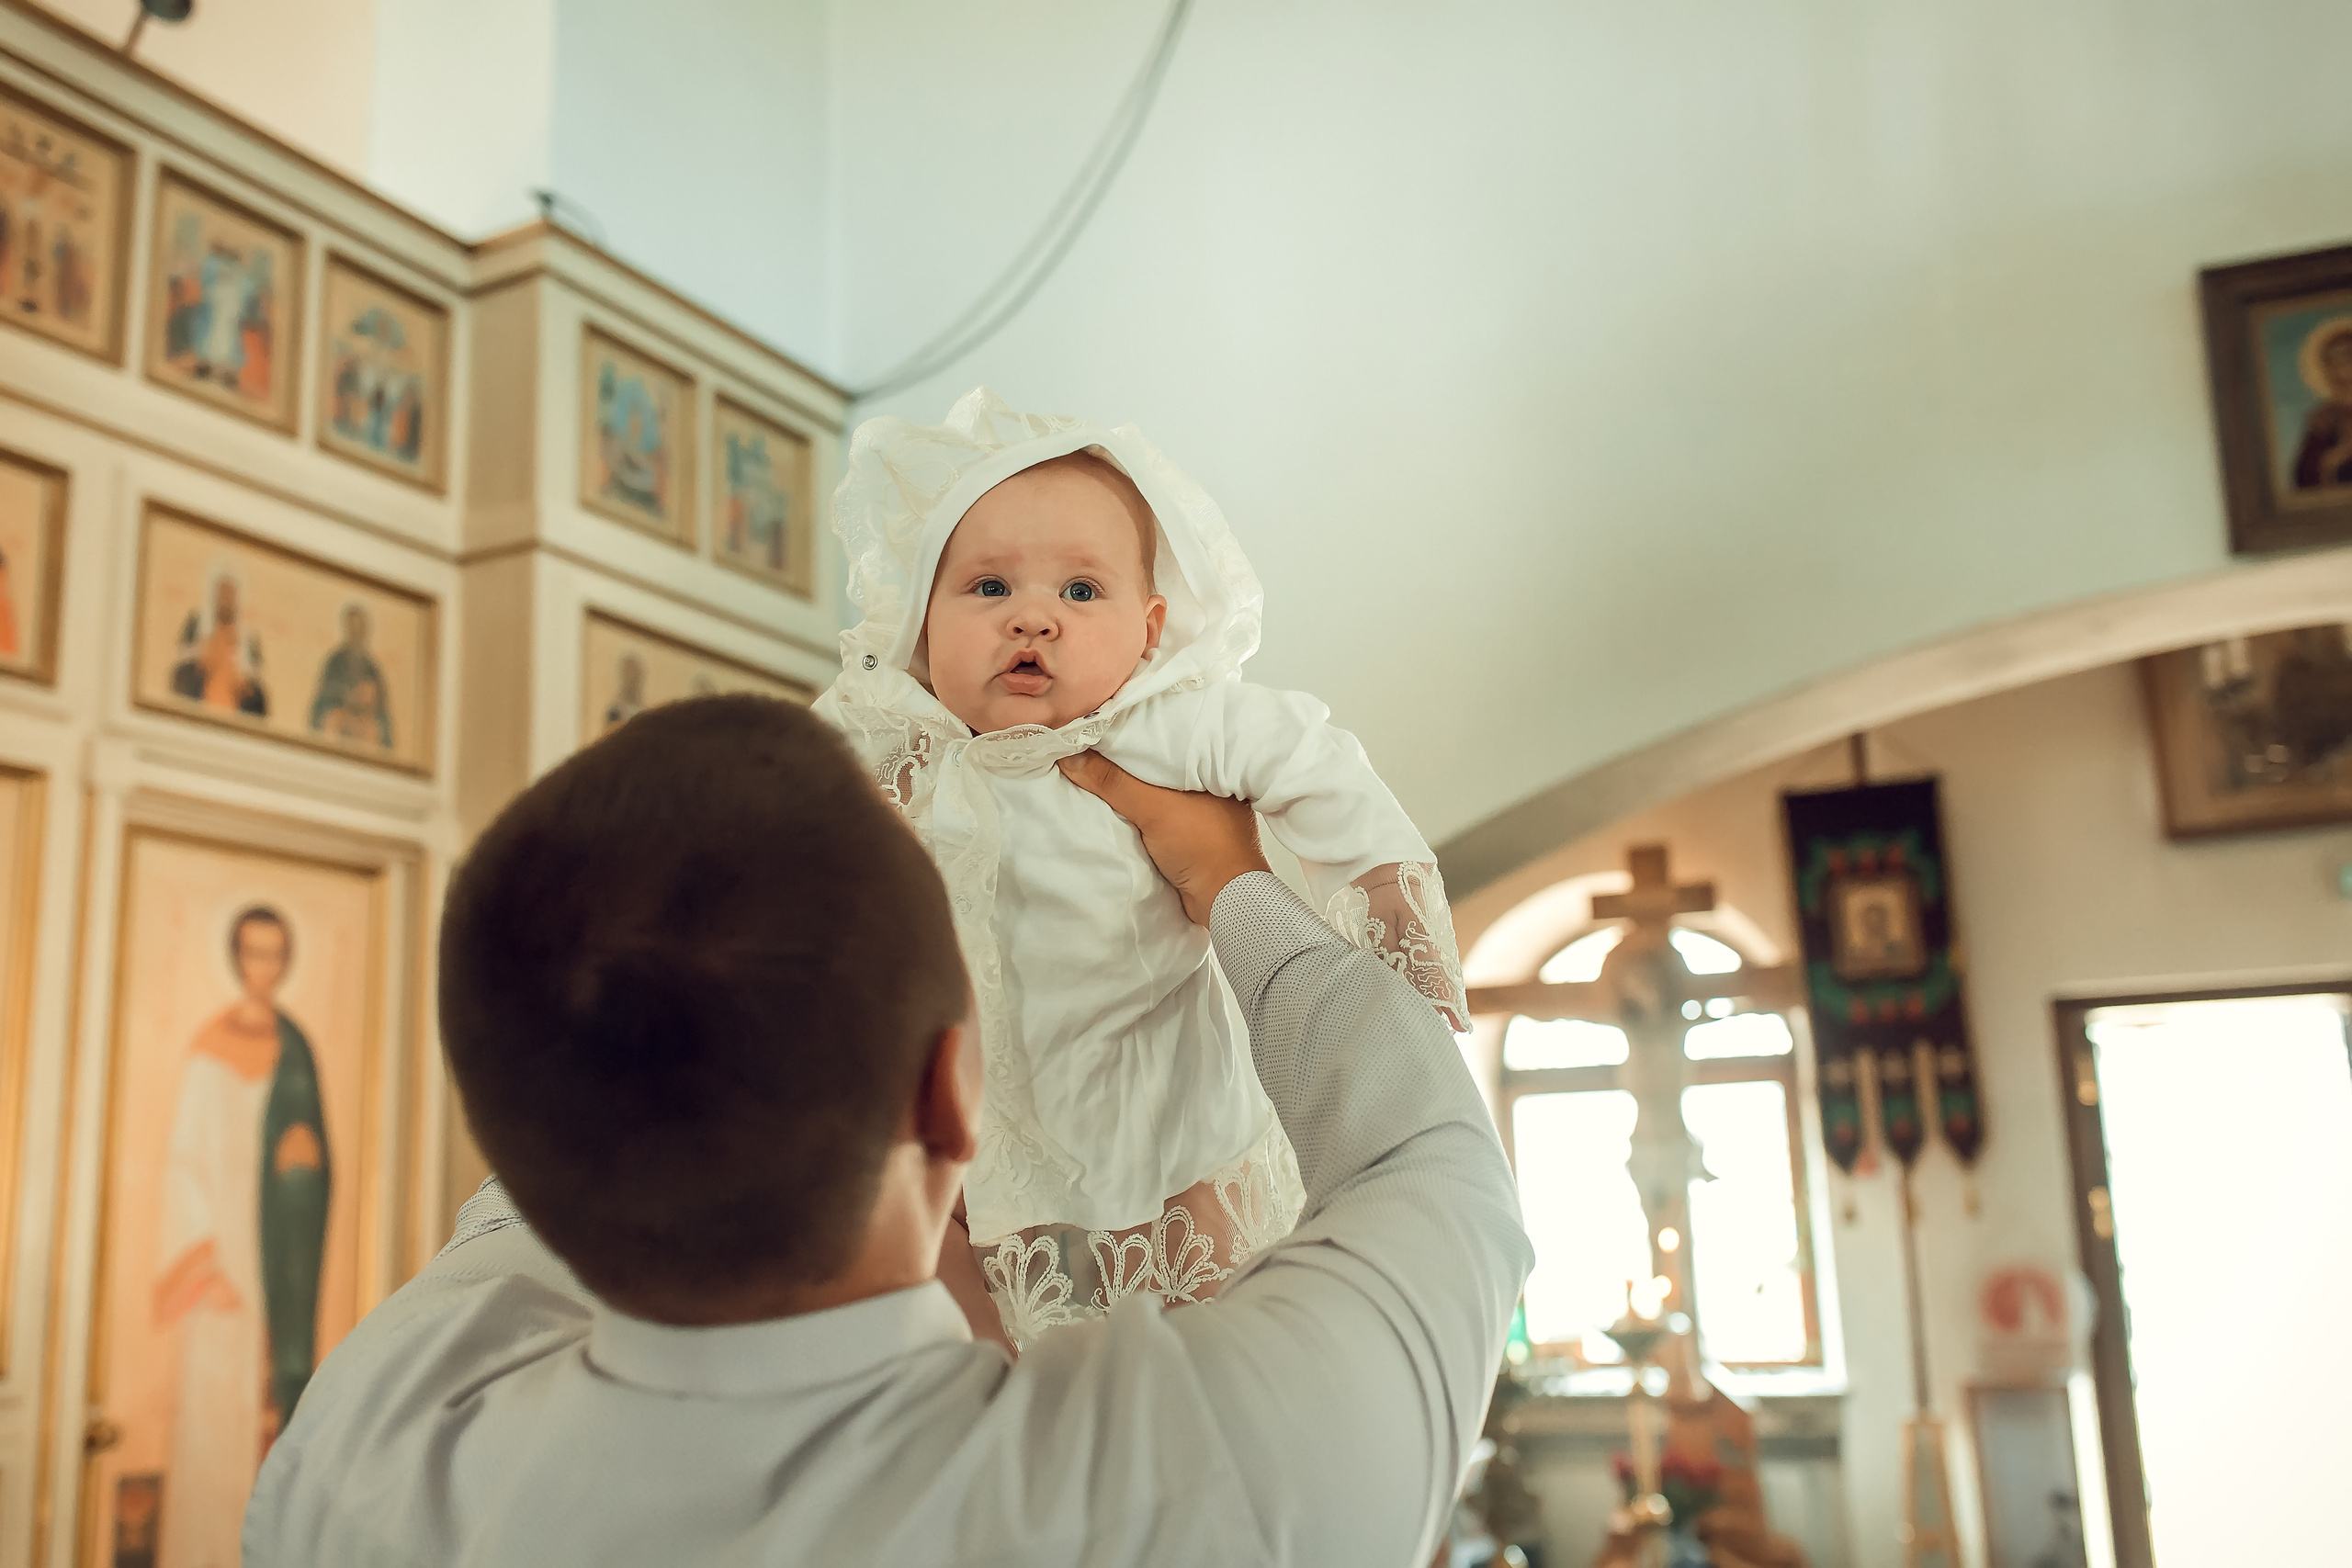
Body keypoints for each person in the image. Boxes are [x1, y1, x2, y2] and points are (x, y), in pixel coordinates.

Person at [242, 694, 1531, 1566]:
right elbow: (1437, 1166)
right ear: (954, 1092)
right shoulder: (1193, 1481)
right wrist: (1230, 878)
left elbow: (559, 1115)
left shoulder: (366, 1444)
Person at [818, 388, 1467, 1346]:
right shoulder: (891, 738)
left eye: (1080, 592)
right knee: (978, 1363)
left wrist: (1398, 948)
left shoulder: (1167, 721)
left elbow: (1326, 773)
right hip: (966, 1153)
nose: (1031, 620)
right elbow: (765, 809)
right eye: (988, 588)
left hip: (1159, 1123)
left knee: (1190, 1348)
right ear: (918, 621)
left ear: (1150, 628)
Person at [159, 906, 330, 1568]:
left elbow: (316, 1157)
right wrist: (206, 1261)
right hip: (223, 1264)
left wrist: (305, 1156)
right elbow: (183, 1160)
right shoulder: (209, 1048)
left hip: (281, 1258)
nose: (264, 967)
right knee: (215, 1424)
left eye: (275, 954)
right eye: (253, 953)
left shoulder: (297, 1047)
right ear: (237, 958)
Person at [308, 603, 394, 749]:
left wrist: (367, 700)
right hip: (339, 714)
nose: (356, 633)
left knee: (373, 732)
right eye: (353, 628)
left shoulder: (372, 667)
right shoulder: (335, 661)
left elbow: (381, 703)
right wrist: (347, 696)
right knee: (331, 723)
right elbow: (326, 691)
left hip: (364, 720)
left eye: (360, 629)